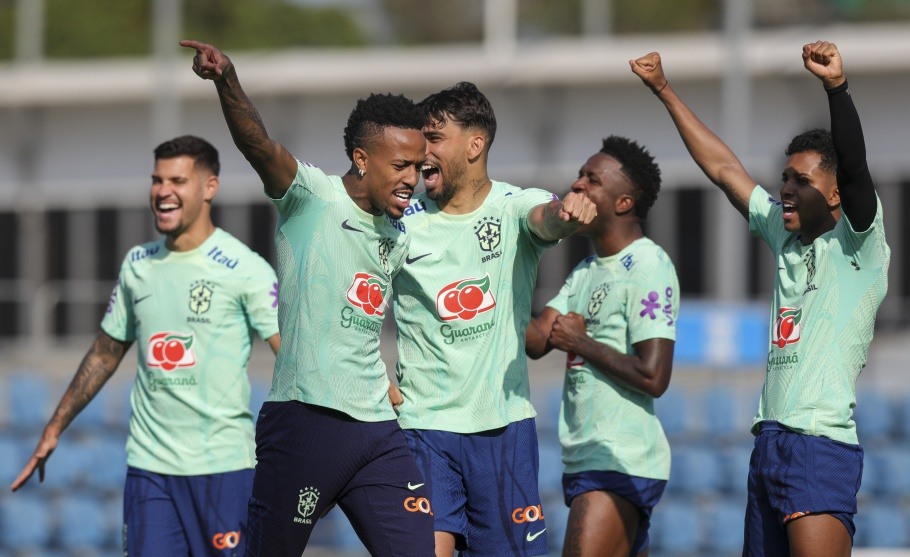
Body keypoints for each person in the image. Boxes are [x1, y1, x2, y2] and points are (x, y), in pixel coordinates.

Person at [631, 41, 890, 556]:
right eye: (784, 179)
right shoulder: (784, 234)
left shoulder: (860, 244)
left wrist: (835, 87)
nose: (786, 189)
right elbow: (725, 169)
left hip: (819, 446)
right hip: (768, 441)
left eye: (802, 180)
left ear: (835, 194)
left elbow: (857, 168)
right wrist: (664, 90)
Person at [179, 39, 434, 556]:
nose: (412, 179)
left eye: (418, 166)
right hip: (306, 424)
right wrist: (227, 80)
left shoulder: (401, 232)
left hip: (378, 434)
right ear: (362, 159)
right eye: (402, 165)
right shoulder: (313, 197)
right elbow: (259, 146)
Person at [10, 135, 281, 557]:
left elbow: (291, 357)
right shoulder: (138, 264)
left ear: (210, 187)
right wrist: (54, 427)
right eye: (157, 180)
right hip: (150, 470)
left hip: (224, 470)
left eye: (177, 180)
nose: (162, 192)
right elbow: (105, 351)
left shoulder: (245, 269)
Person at [391, 81, 597, 556]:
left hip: (502, 431)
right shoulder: (401, 222)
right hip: (423, 426)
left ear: (475, 144)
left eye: (435, 138)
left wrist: (568, 213)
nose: (424, 152)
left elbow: (545, 218)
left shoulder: (513, 205)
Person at [525, 135, 678, 557]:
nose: (577, 186)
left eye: (591, 180)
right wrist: (491, 282)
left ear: (623, 202)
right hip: (583, 458)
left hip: (619, 458)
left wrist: (580, 342)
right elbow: (537, 339)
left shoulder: (649, 264)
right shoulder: (585, 271)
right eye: (579, 176)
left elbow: (654, 376)